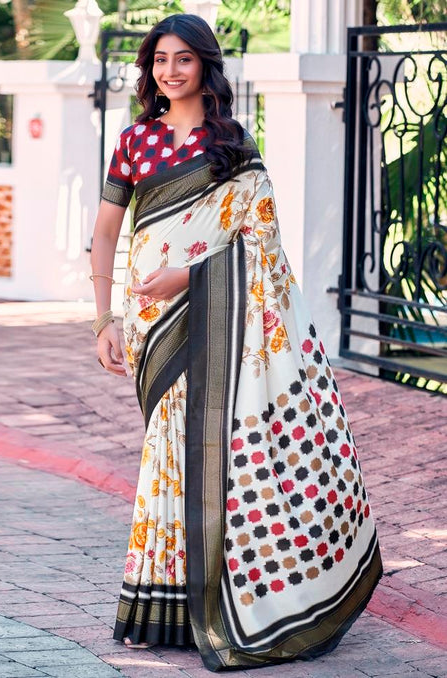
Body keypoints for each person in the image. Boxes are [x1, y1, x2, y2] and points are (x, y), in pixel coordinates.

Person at [90, 13, 382, 673]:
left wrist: (191, 276)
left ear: (205, 67)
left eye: (182, 59)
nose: (169, 70)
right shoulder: (136, 142)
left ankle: (231, 602)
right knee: (167, 451)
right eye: (159, 59)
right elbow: (106, 234)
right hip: (151, 326)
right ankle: (163, 604)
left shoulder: (233, 146)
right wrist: (101, 318)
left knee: (218, 451)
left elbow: (263, 248)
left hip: (218, 319)